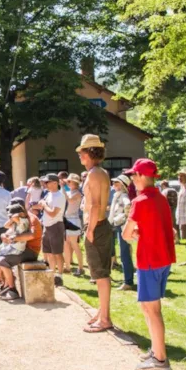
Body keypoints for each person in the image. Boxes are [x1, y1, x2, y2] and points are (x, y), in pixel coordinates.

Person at [122, 158, 177, 370]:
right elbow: (161, 227)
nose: (132, 179)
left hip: (149, 259)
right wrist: (139, 232)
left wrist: (133, 233)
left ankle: (161, 360)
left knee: (151, 309)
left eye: (134, 175)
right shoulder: (160, 198)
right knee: (149, 307)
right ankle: (156, 350)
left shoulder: (140, 200)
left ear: (143, 176)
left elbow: (127, 234)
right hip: (163, 258)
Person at [78, 134, 113, 333]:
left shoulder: (93, 174)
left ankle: (105, 318)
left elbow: (95, 204)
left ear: (89, 153)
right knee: (102, 273)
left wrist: (89, 230)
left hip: (96, 226)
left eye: (82, 152)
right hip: (100, 225)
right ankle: (102, 312)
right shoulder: (100, 172)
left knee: (100, 275)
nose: (80, 156)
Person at [0, 202, 42, 301]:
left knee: (3, 261)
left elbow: (31, 235)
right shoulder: (19, 219)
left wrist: (13, 238)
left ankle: (12, 290)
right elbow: (10, 229)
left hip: (30, 250)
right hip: (16, 246)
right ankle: (4, 285)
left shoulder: (31, 219)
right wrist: (5, 235)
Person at [38, 174, 67, 286]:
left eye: (47, 182)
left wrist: (44, 205)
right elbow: (45, 208)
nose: (45, 184)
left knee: (57, 253)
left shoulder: (59, 196)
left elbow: (53, 212)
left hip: (55, 226)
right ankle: (52, 274)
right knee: (49, 253)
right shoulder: (49, 194)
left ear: (55, 183)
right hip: (47, 225)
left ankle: (59, 276)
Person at [110, 175, 135, 291]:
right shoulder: (117, 195)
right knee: (124, 254)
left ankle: (128, 281)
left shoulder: (123, 196)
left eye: (117, 183)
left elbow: (128, 206)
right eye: (114, 183)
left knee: (124, 254)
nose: (114, 185)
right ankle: (128, 280)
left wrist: (122, 218)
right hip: (118, 225)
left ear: (123, 185)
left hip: (122, 226)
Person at [63, 174, 85, 277]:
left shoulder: (78, 194)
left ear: (75, 183)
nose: (68, 183)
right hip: (66, 220)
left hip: (73, 220)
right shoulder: (68, 192)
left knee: (74, 245)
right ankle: (67, 266)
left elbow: (70, 200)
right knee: (66, 244)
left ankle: (81, 267)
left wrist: (62, 187)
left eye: (69, 182)